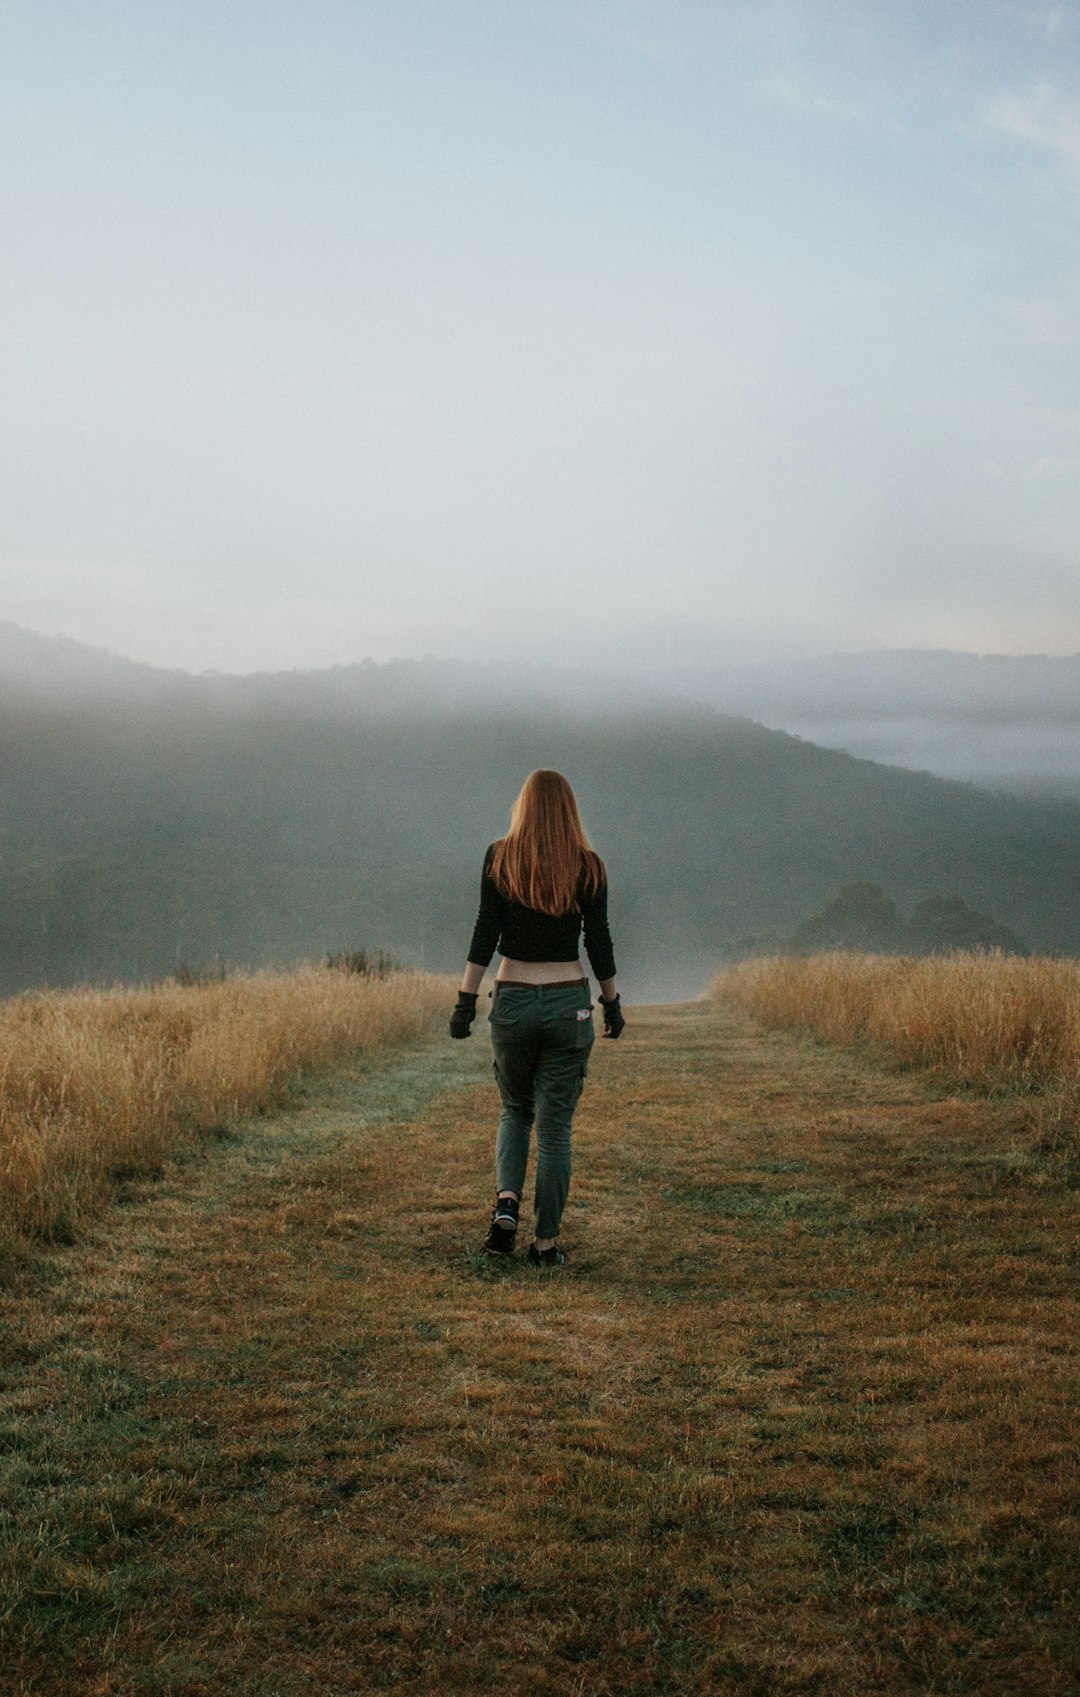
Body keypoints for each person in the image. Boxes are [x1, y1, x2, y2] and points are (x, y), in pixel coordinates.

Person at [449, 769, 625, 1266]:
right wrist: (611, 1002)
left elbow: (486, 930)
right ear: (570, 809)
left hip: (515, 997)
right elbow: (599, 940)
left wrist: (466, 999)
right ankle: (545, 1245)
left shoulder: (500, 857)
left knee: (515, 1110)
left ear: (523, 805)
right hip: (569, 999)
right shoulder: (589, 866)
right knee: (554, 1128)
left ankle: (506, 1204)